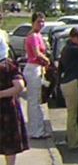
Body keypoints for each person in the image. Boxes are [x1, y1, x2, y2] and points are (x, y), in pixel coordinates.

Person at [22, 12, 53, 140]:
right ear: (33, 22)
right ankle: (36, 131)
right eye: (38, 21)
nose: (41, 24)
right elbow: (36, 53)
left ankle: (37, 128)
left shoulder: (39, 35)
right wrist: (47, 60)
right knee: (34, 101)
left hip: (38, 68)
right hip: (33, 68)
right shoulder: (33, 36)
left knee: (38, 100)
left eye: (42, 21)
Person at [1, 52, 28, 165]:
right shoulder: (8, 66)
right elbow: (19, 86)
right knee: (10, 143)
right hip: (7, 108)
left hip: (6, 108)